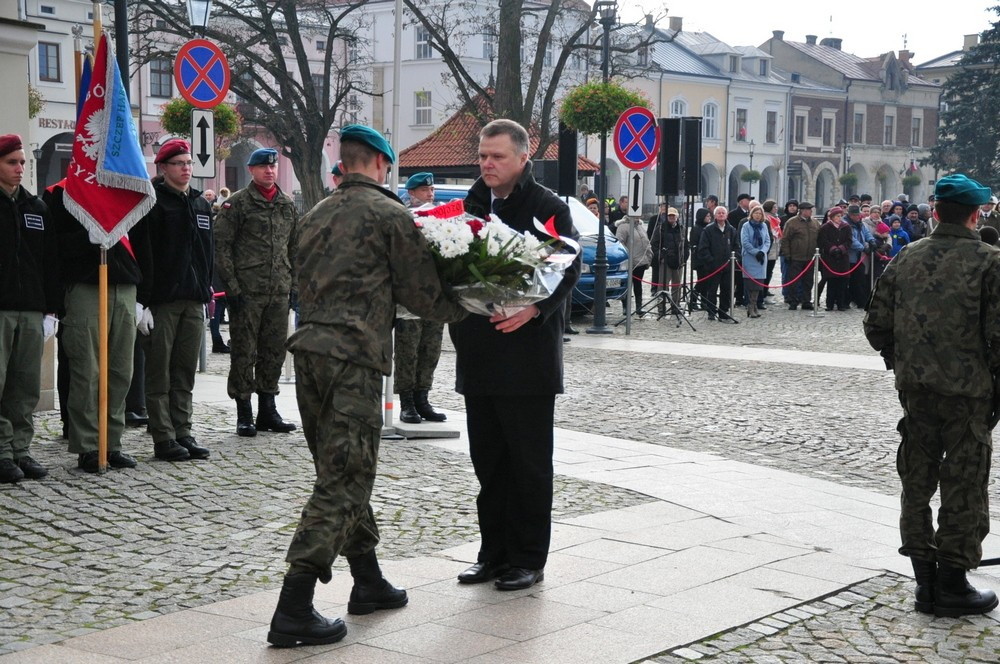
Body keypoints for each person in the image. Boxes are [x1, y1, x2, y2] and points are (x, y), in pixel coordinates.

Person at [267, 125, 466, 647]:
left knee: (339, 466)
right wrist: (475, 305)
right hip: (353, 359)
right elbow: (423, 295)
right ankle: (294, 606)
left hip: (308, 356)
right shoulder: (389, 215)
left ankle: (368, 581)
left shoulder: (311, 216)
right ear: (380, 162)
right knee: (345, 479)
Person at [451, 119, 580, 592]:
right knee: (489, 463)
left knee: (527, 464)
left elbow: (567, 268)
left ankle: (527, 558)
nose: (487, 163)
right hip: (480, 350)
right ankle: (493, 554)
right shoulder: (470, 204)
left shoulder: (547, 206)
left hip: (526, 357)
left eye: (497, 156)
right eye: (483, 155)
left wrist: (535, 309)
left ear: (523, 158)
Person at [864, 173, 1000, 618]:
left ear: (936, 211)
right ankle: (952, 583)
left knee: (917, 481)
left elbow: (876, 325)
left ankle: (925, 583)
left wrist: (904, 362)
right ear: (976, 213)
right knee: (963, 485)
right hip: (968, 396)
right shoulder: (989, 262)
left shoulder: (906, 257)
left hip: (917, 394)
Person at [48, 179, 140, 473]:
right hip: (85, 284)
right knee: (87, 370)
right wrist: (85, 238)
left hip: (124, 284)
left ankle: (112, 442)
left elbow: (144, 243)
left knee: (120, 371)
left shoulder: (125, 186)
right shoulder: (62, 193)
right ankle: (88, 446)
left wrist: (145, 296)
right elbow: (53, 247)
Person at [131, 139, 213, 463]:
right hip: (162, 302)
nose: (186, 168)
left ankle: (183, 431)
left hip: (193, 300)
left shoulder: (201, 204)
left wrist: (206, 293)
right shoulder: (151, 202)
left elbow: (208, 253)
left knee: (185, 372)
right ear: (163, 168)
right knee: (159, 373)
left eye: (189, 163)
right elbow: (143, 253)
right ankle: (163, 437)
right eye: (179, 163)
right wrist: (143, 301)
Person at [214, 147, 298, 438]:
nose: (269, 171)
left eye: (273, 167)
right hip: (247, 292)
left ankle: (268, 409)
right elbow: (222, 246)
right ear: (251, 170)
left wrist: (294, 286)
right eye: (263, 167)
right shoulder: (237, 204)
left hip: (278, 291)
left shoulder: (287, 203)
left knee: (275, 351)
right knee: (244, 351)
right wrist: (232, 287)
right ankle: (244, 412)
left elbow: (294, 248)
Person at [0, 134, 59, 483]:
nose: (20, 168)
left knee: (25, 387)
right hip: (1, 311)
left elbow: (50, 263)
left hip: (31, 311)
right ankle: (2, 452)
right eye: (12, 162)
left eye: (23, 162)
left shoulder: (36, 207)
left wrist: (51, 310)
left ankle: (20, 450)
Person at [394, 172, 448, 423]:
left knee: (431, 348)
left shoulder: (442, 217)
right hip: (410, 296)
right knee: (408, 350)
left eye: (432, 190)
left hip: (435, 295)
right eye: (425, 190)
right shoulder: (403, 217)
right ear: (412, 193)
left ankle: (422, 398)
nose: (430, 194)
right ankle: (406, 402)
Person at [696, 205, 738, 321]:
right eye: (718, 213)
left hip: (728, 266)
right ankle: (711, 311)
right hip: (713, 267)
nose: (721, 215)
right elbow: (703, 248)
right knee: (712, 291)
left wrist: (734, 259)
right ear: (715, 215)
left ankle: (723, 311)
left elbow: (737, 246)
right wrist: (710, 261)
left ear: (726, 215)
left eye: (723, 213)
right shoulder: (708, 230)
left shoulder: (732, 230)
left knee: (726, 290)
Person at [780, 201, 820, 310]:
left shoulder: (815, 223)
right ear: (802, 211)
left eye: (811, 210)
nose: (810, 212)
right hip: (795, 256)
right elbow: (785, 239)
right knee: (794, 280)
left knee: (808, 281)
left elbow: (818, 239)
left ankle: (806, 301)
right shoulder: (792, 222)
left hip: (809, 257)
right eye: (808, 210)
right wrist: (787, 254)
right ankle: (793, 301)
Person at [650, 206, 685, 314]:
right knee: (662, 285)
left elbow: (685, 244)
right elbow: (654, 245)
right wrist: (660, 257)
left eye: (673, 215)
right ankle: (661, 307)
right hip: (665, 262)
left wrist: (685, 256)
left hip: (678, 261)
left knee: (677, 285)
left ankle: (675, 305)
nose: (671, 217)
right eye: (669, 215)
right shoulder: (661, 229)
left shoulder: (681, 228)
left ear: (677, 217)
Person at [615, 210, 652, 315]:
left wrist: (649, 256)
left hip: (640, 262)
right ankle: (626, 307)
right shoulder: (623, 227)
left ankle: (639, 307)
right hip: (629, 262)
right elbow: (619, 243)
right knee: (627, 286)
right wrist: (627, 257)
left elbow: (646, 241)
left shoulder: (640, 226)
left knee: (638, 285)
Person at [817, 206, 853, 311]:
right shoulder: (825, 227)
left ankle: (841, 303)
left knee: (842, 282)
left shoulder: (846, 227)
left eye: (840, 216)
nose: (839, 218)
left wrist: (841, 249)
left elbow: (849, 241)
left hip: (843, 258)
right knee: (831, 282)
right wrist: (832, 249)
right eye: (837, 216)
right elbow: (823, 241)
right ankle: (830, 304)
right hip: (830, 258)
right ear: (832, 217)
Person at [740, 205, 770, 318]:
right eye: (756, 213)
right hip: (750, 257)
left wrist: (762, 252)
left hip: (761, 258)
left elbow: (767, 240)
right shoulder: (746, 226)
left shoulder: (764, 226)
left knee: (758, 284)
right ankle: (750, 305)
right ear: (752, 214)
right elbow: (745, 242)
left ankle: (754, 304)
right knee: (750, 283)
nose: (758, 215)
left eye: (760, 213)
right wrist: (755, 252)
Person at [845, 204, 876, 308]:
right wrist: (863, 248)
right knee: (848, 280)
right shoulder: (846, 225)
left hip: (858, 257)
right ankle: (847, 300)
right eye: (855, 215)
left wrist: (871, 241)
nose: (858, 217)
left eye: (858, 215)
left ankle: (860, 301)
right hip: (849, 256)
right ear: (850, 215)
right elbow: (851, 240)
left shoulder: (860, 224)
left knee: (859, 279)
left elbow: (866, 233)